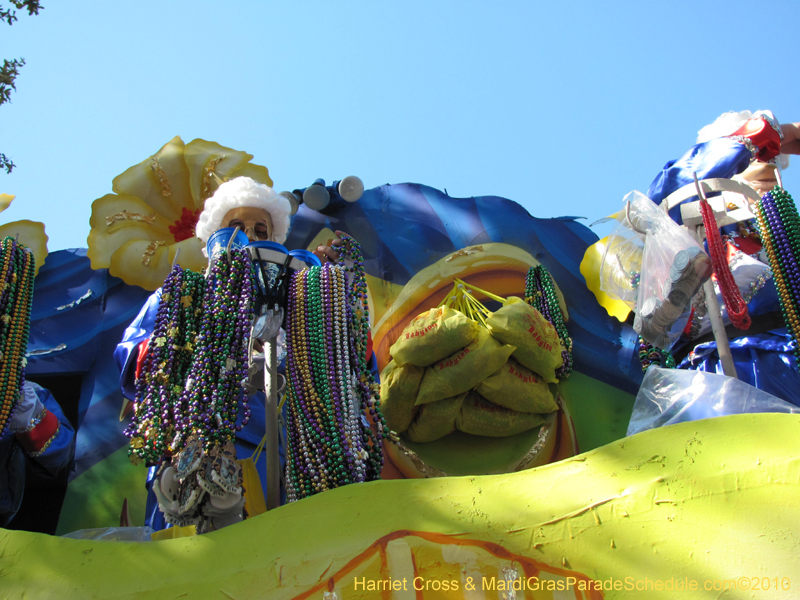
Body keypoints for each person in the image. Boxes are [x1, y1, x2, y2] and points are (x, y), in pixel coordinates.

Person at [115, 176, 375, 530]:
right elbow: (137, 361)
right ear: (213, 240)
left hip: (296, 465)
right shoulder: (183, 297)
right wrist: (209, 338)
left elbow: (357, 377)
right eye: (235, 228)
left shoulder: (304, 306)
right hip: (203, 456)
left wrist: (333, 300)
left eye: (260, 229)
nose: (249, 236)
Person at [644, 110, 800, 405]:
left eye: (774, 159)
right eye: (759, 157)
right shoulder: (697, 228)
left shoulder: (783, 236)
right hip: (731, 373)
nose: (769, 165)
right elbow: (669, 193)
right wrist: (764, 133)